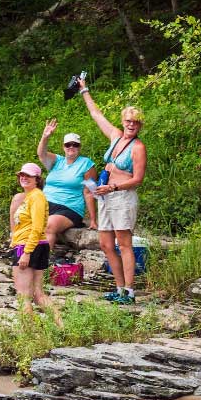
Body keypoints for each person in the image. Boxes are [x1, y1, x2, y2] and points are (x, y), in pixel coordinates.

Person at [78, 74, 147, 304]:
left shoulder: (138, 148)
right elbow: (96, 114)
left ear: (139, 125)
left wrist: (114, 186)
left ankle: (129, 291)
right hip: (105, 197)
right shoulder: (116, 136)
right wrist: (84, 90)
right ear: (123, 121)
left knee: (123, 242)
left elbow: (138, 178)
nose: (130, 124)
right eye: (128, 120)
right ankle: (118, 288)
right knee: (106, 244)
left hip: (123, 196)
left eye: (135, 122)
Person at [35, 119, 98, 254]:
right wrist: (45, 137)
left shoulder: (86, 164)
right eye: (68, 144)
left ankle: (42, 265)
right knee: (19, 203)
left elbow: (90, 192)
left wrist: (93, 220)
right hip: (46, 202)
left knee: (49, 225)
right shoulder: (57, 161)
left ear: (79, 147)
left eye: (75, 145)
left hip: (69, 207)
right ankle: (17, 250)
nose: (71, 147)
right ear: (63, 147)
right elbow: (41, 154)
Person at [10, 162, 59, 319]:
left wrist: (26, 252)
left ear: (37, 179)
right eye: (22, 175)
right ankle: (63, 329)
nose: (24, 178)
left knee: (24, 296)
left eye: (28, 175)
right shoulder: (30, 196)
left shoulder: (37, 197)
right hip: (35, 245)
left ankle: (30, 335)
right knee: (37, 295)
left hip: (29, 246)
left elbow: (37, 228)